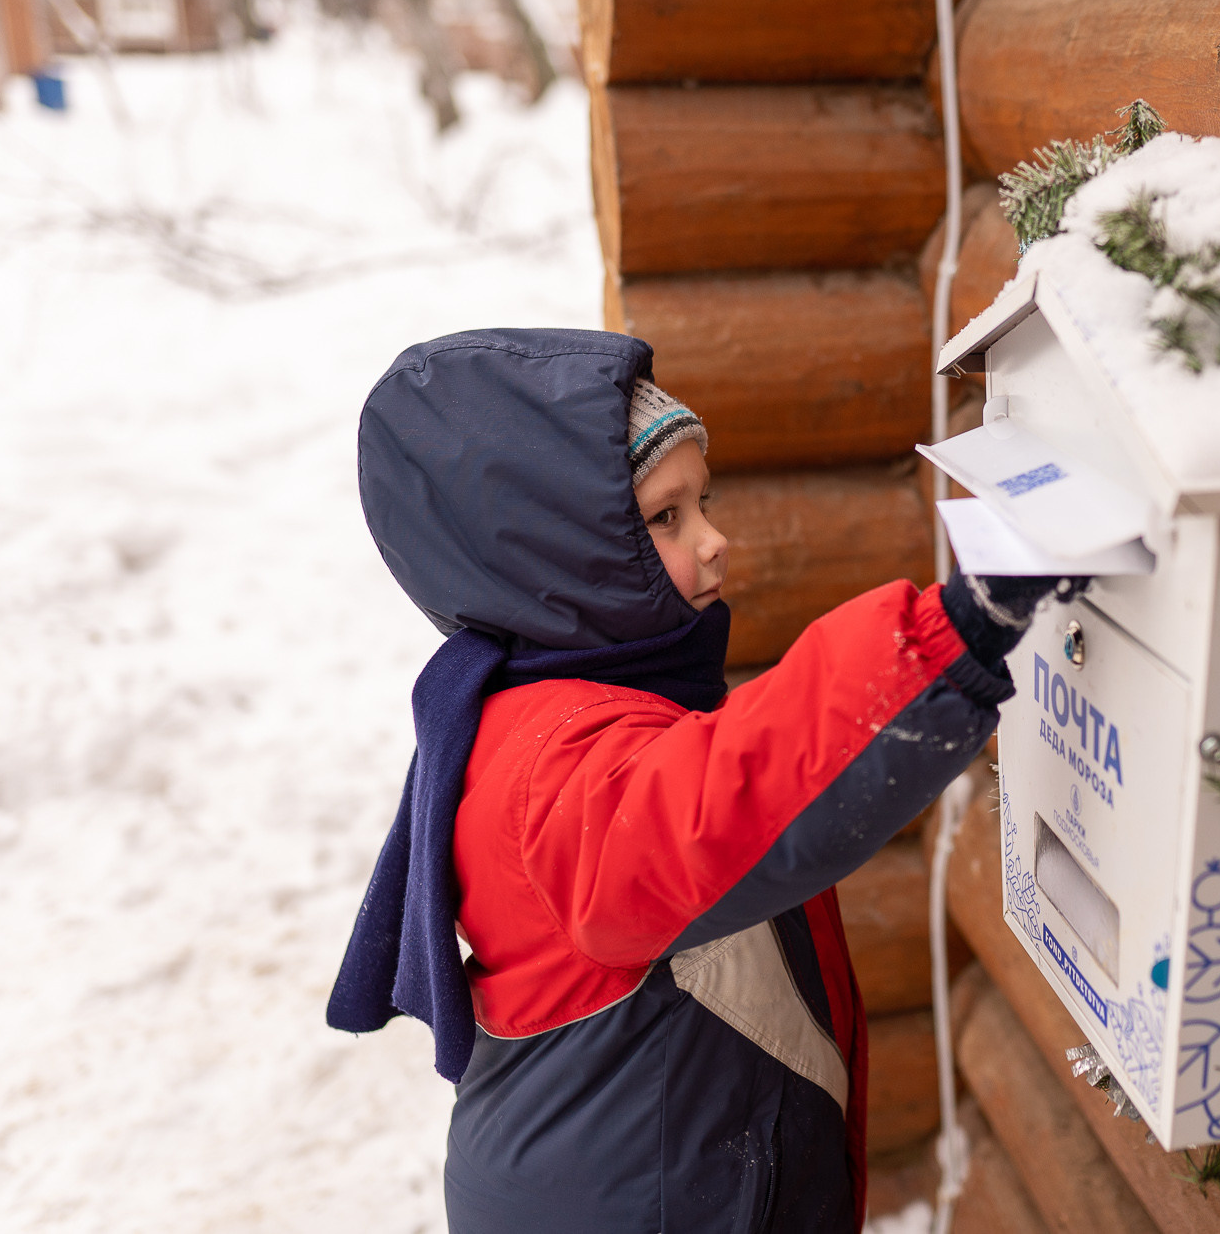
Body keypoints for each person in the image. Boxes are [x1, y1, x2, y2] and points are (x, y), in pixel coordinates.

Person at [326, 328, 1072, 1233]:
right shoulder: (558, 760)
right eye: (665, 517)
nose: (716, 540)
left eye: (703, 500)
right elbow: (723, 801)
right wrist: (952, 630)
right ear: (561, 555)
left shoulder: (543, 699)